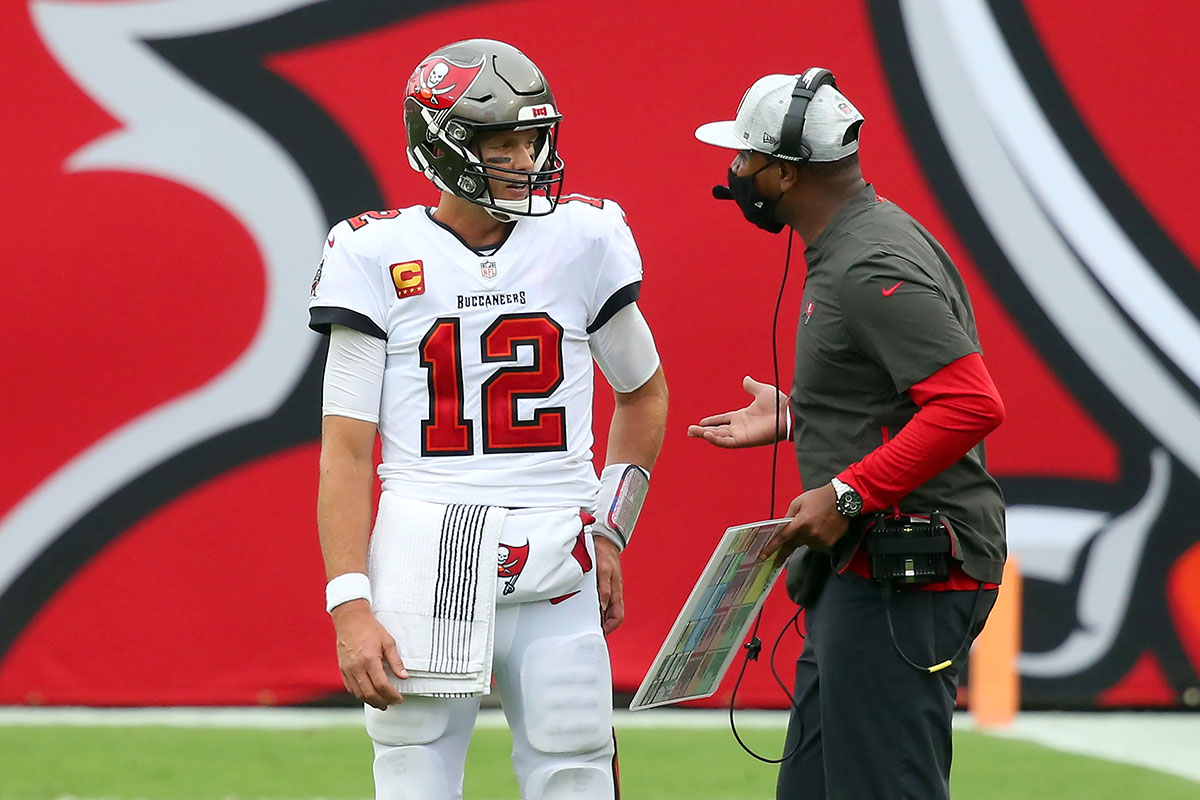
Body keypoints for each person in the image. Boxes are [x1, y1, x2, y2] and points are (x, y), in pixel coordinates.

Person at [308, 39, 668, 800]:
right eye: (502, 141)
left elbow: (643, 394)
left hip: (556, 549)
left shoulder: (584, 240)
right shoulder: (373, 252)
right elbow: (344, 451)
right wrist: (349, 604)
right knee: (414, 776)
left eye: (533, 138)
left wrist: (610, 529)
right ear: (438, 145)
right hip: (421, 554)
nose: (526, 158)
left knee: (574, 765)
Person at [690, 69, 1006, 800]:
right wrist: (807, 414)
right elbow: (895, 392)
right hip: (869, 569)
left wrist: (850, 490)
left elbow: (969, 405)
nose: (735, 173)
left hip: (907, 574)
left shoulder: (867, 262)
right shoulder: (858, 239)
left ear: (786, 172)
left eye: (744, 158)